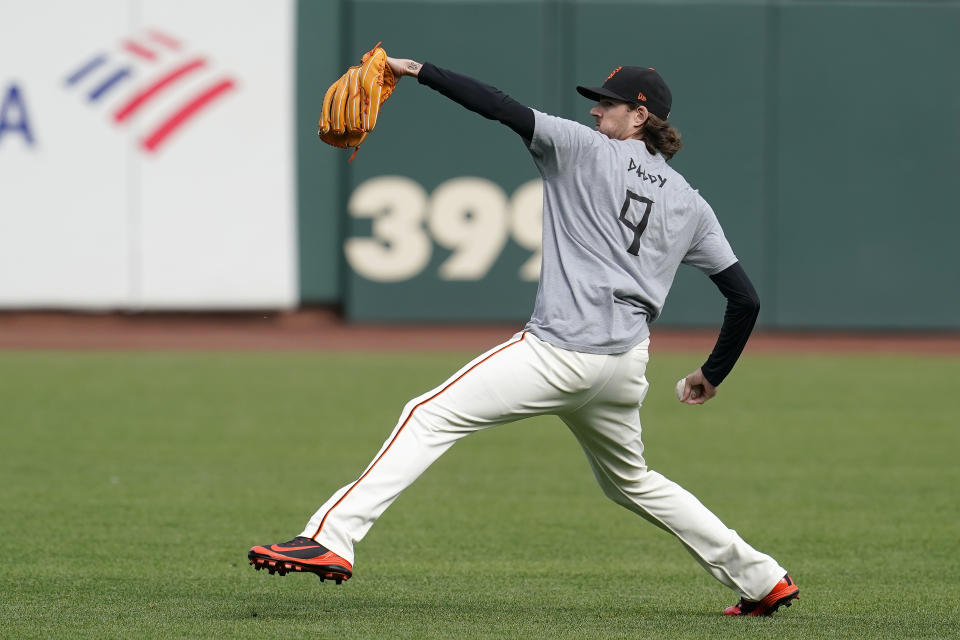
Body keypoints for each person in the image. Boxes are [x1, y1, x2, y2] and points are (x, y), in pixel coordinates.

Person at [249, 56, 800, 617]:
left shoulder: (580, 147)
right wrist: (713, 372)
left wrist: (416, 69)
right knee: (632, 481)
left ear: (639, 116)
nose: (593, 109)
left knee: (428, 415)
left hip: (559, 350)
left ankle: (329, 538)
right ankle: (762, 578)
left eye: (606, 103)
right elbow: (745, 299)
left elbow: (498, 105)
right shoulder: (691, 203)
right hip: (622, 366)